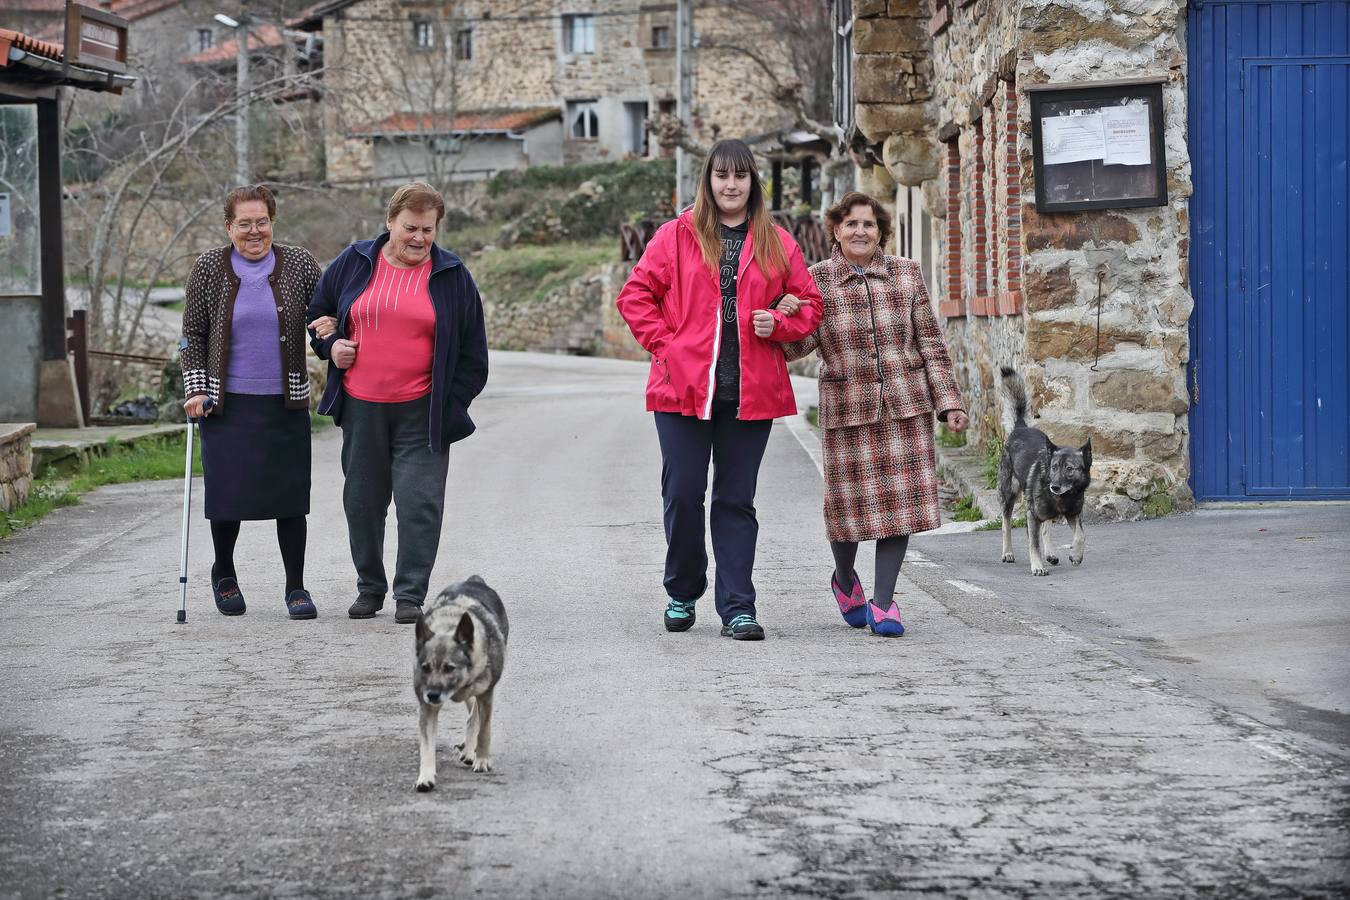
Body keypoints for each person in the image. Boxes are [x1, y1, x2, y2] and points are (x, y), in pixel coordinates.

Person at [615, 139, 822, 641]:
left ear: (754, 184)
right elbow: (635, 295)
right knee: (683, 494)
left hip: (750, 395)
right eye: (722, 176)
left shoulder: (778, 242)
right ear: (708, 181)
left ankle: (738, 607)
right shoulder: (676, 236)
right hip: (681, 392)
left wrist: (779, 322)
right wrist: (668, 347)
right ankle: (683, 591)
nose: (731, 186)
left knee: (736, 501)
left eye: (741, 177)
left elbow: (810, 304)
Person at [780, 191, 969, 636]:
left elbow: (931, 345)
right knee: (846, 512)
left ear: (881, 231)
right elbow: (795, 348)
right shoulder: (816, 280)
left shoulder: (906, 275)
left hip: (906, 407)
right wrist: (784, 314)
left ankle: (884, 603)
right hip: (848, 412)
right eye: (852, 224)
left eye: (869, 224)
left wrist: (950, 402)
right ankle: (845, 579)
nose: (861, 231)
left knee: (900, 508)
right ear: (836, 231)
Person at [308, 182, 489, 625]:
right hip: (362, 406)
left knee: (420, 504)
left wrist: (450, 403)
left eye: (428, 229)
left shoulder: (452, 275)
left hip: (422, 412)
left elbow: (473, 354)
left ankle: (410, 594)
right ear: (390, 222)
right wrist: (331, 346)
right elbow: (318, 315)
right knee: (362, 502)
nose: (419, 238)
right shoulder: (355, 262)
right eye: (410, 227)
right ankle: (369, 588)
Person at [181, 184, 324, 620]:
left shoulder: (299, 264)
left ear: (272, 222)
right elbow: (193, 336)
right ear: (229, 227)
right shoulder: (208, 268)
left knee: (290, 496)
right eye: (244, 223)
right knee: (228, 494)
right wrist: (195, 388)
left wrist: (333, 345)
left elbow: (324, 317)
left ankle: (295, 586)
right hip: (226, 403)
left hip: (285, 401)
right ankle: (224, 573)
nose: (254, 230)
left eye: (261, 221)